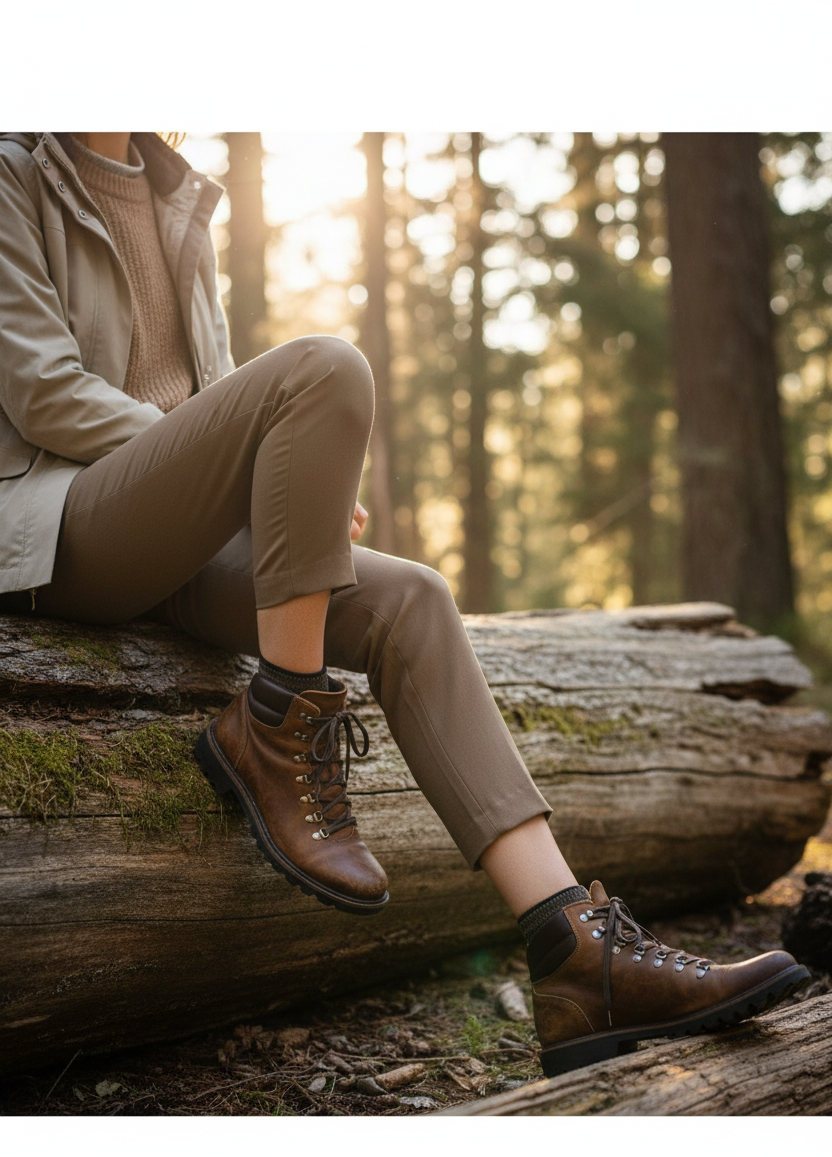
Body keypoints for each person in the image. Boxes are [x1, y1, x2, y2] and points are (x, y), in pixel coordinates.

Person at [0, 131, 809, 1078]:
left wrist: (277, 487)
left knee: (413, 596)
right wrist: (246, 460)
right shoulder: (15, 169)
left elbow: (212, 393)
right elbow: (46, 393)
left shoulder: (179, 190)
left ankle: (577, 952)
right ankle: (279, 724)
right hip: (61, 525)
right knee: (325, 365)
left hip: (179, 534)